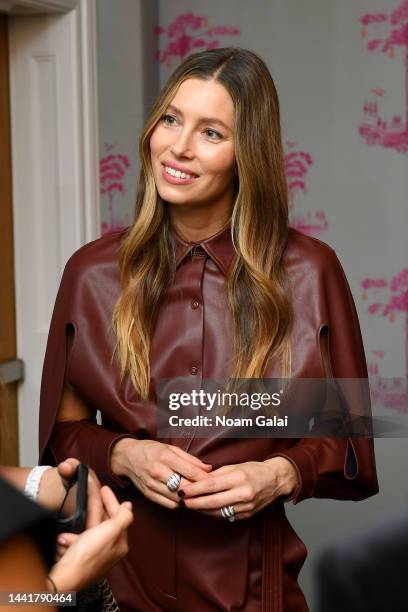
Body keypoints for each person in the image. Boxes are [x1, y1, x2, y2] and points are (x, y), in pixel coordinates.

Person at [38, 47, 379, 611]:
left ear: (249, 154)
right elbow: (62, 438)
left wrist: (280, 472)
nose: (179, 147)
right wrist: (123, 453)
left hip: (254, 594)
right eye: (171, 119)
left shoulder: (310, 273)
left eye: (212, 132)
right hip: (117, 591)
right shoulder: (91, 273)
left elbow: (350, 440)